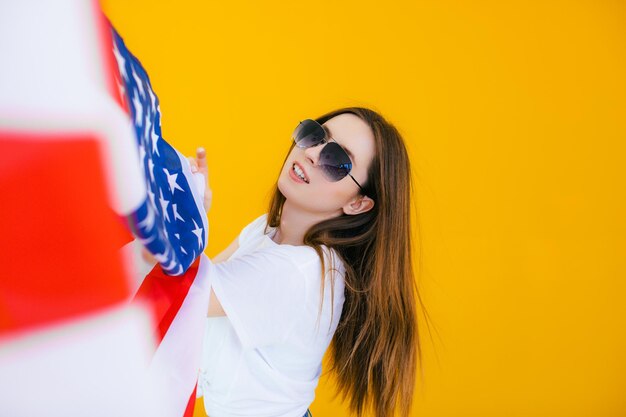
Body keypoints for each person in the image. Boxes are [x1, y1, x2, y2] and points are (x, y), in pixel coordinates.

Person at [186, 107, 424, 417]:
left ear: (357, 203)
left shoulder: (297, 272)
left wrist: (186, 216)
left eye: (338, 161)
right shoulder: (265, 231)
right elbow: (193, 295)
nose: (312, 153)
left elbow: (179, 296)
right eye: (315, 134)